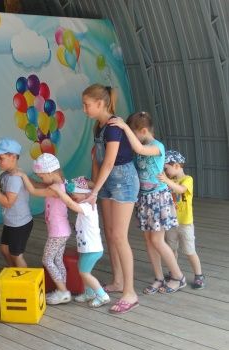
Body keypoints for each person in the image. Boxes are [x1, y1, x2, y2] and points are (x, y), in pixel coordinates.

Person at [110, 112, 186, 294]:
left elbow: (139, 149)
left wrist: (124, 127)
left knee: (157, 240)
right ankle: (159, 278)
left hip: (158, 198)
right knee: (149, 241)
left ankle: (178, 276)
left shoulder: (157, 146)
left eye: (134, 133)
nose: (132, 138)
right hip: (144, 199)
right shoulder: (141, 147)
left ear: (143, 131)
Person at [82, 84, 140, 314]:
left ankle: (130, 292)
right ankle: (117, 281)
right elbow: (97, 160)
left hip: (123, 181)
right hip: (106, 182)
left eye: (86, 105)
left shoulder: (114, 127)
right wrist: (93, 183)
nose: (84, 109)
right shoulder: (98, 127)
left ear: (100, 103)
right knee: (109, 232)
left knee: (119, 236)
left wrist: (94, 191)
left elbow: (109, 162)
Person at [49, 177, 110, 307]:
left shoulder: (88, 206)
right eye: (71, 194)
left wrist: (59, 192)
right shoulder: (84, 206)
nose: (72, 196)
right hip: (86, 248)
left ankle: (102, 295)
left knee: (84, 272)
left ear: (86, 194)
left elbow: (71, 205)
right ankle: (89, 293)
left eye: (74, 193)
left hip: (92, 249)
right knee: (82, 270)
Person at [20, 153, 72, 305]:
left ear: (49, 172)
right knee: (57, 259)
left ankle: (64, 291)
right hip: (62, 231)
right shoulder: (57, 184)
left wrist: (23, 176)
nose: (41, 179)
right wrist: (24, 176)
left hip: (58, 233)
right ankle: (62, 289)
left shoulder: (56, 189)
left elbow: (34, 191)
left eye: (42, 176)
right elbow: (37, 184)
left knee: (47, 260)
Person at [0, 138, 33, 268]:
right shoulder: (6, 174)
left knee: (16, 255)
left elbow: (8, 203)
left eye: (1, 158)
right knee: (5, 250)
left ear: (13, 157)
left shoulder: (15, 178)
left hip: (20, 223)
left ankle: (25, 278)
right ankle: (14, 273)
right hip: (11, 222)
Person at [158, 150, 205, 289]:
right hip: (171, 222)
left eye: (166, 168)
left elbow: (181, 190)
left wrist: (166, 181)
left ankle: (199, 275)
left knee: (190, 251)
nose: (165, 172)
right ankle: (174, 272)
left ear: (177, 166)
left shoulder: (188, 179)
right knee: (171, 250)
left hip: (185, 223)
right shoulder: (169, 180)